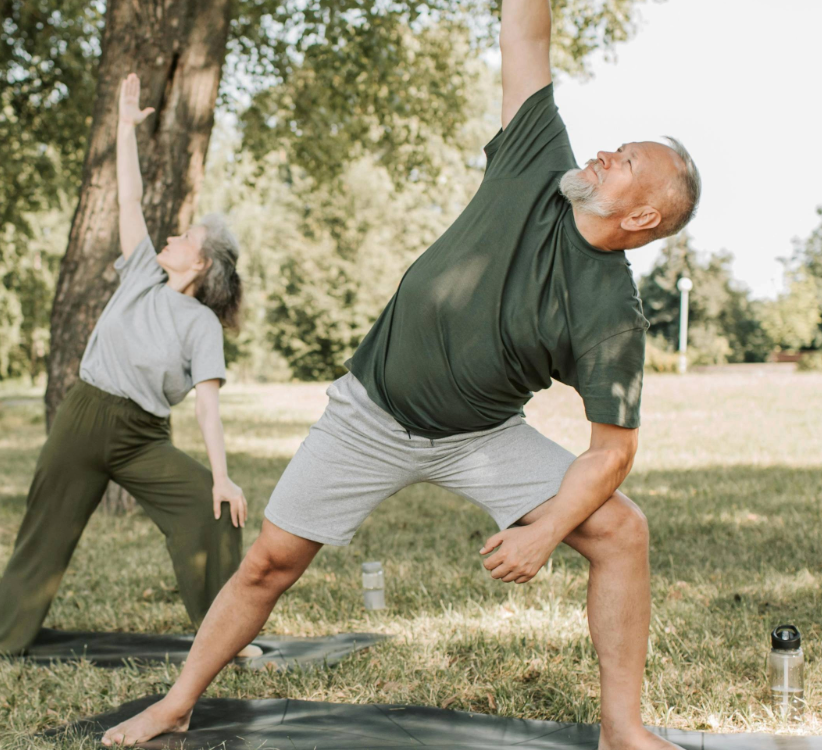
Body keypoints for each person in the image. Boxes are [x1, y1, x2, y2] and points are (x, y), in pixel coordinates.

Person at [101, 0, 701, 743]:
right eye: (618, 146)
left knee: (622, 532)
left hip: (480, 437)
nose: (607, 152)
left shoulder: (611, 314)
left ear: (641, 218)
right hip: (371, 412)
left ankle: (621, 730)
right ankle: (176, 703)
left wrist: (546, 531)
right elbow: (525, 29)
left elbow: (611, 453)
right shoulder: (537, 158)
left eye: (628, 162)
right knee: (269, 564)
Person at [0, 73, 250, 658]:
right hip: (84, 418)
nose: (171, 236)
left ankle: (227, 640)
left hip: (142, 438)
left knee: (211, 508)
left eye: (185, 237)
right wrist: (124, 128)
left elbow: (208, 410)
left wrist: (221, 476)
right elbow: (129, 198)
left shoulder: (202, 326)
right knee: (45, 526)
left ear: (201, 264)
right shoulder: (141, 272)